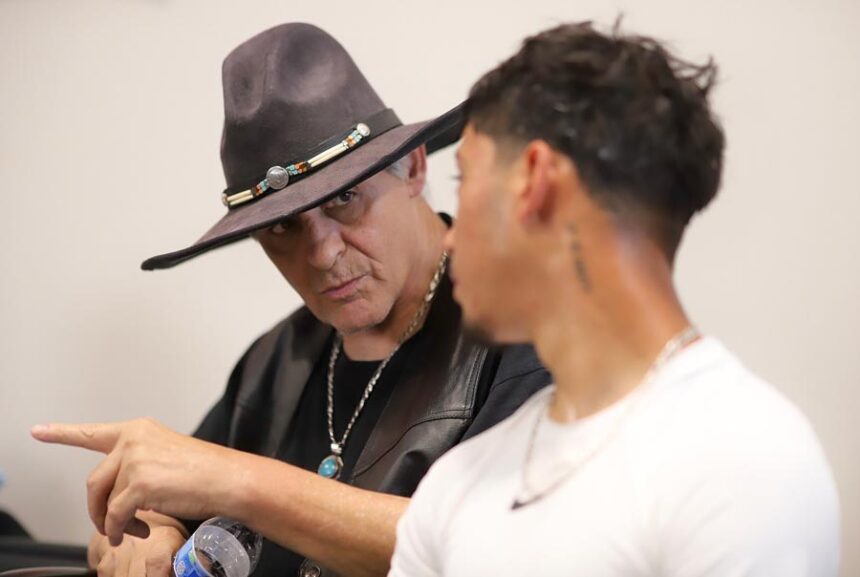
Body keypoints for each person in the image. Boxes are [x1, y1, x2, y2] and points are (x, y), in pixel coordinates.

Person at [31, 23, 550, 577]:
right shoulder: (275, 361)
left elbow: (500, 545)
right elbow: (155, 509)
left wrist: (243, 482)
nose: (322, 253)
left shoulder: (523, 331)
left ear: (415, 168)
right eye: (282, 227)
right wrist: (140, 538)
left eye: (346, 198)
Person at [389, 21, 841, 576]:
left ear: (534, 180)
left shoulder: (745, 456)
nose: (451, 235)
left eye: (464, 181)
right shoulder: (459, 484)